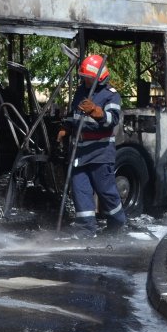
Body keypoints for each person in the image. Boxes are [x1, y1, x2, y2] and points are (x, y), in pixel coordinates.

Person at [57, 53, 128, 235]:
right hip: (79, 153)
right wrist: (66, 127)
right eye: (84, 78)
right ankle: (86, 230)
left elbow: (112, 120)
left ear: (98, 77)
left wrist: (97, 111)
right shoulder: (81, 92)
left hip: (100, 153)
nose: (85, 81)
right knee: (80, 191)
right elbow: (75, 116)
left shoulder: (111, 96)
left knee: (106, 192)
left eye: (88, 78)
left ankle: (118, 224)